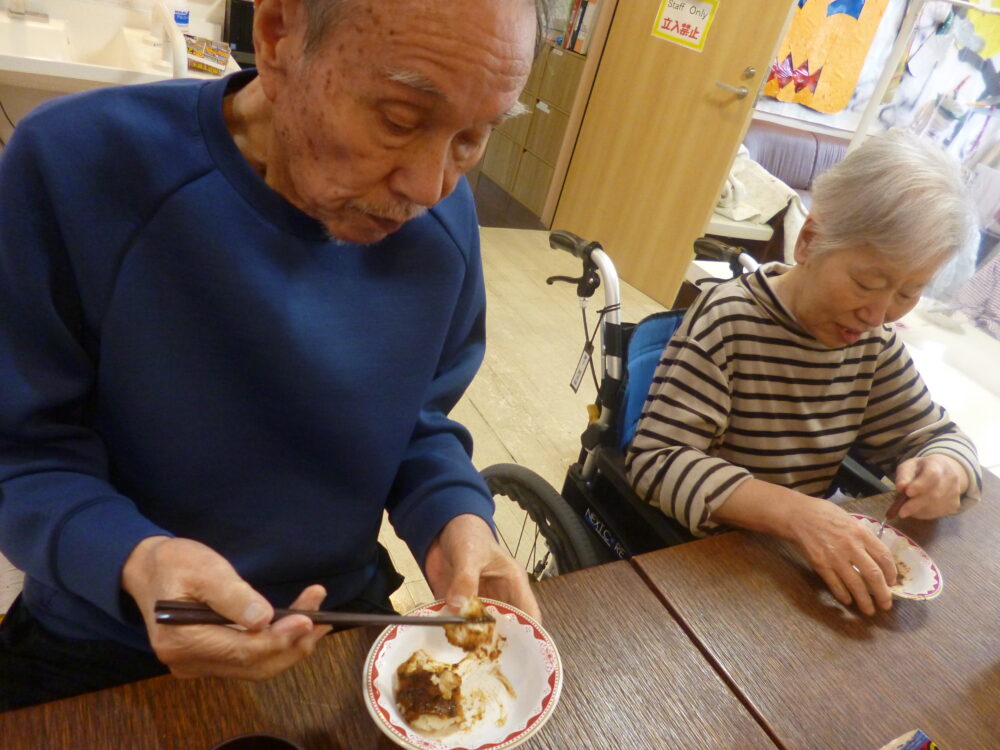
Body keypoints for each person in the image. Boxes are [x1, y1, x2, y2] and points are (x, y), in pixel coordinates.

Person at [0, 0, 548, 711]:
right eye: (398, 119)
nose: (430, 186)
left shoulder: (442, 220)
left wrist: (454, 522)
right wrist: (136, 559)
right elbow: (21, 450)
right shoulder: (76, 163)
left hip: (333, 616)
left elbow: (413, 421)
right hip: (110, 631)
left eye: (473, 138)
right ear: (278, 34)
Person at [627, 129, 982, 618]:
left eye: (907, 293)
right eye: (867, 283)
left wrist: (946, 467)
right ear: (810, 241)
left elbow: (937, 434)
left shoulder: (872, 344)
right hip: (709, 563)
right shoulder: (729, 320)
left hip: (798, 564)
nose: (878, 315)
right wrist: (795, 513)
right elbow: (657, 461)